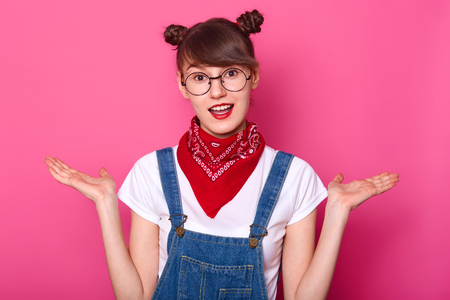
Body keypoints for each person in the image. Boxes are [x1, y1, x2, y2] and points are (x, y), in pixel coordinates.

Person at [44, 9, 399, 300]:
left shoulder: (294, 177)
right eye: (200, 78)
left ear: (254, 75)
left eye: (231, 74)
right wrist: (106, 204)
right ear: (183, 85)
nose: (217, 92)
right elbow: (134, 297)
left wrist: (336, 212)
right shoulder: (151, 172)